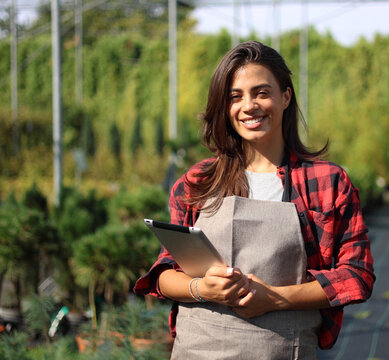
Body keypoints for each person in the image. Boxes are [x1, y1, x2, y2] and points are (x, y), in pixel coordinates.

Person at [134, 40, 375, 359]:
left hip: (280, 347)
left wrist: (275, 298)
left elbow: (357, 275)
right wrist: (200, 288)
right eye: (235, 96)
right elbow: (164, 274)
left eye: (261, 92)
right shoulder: (196, 183)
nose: (249, 106)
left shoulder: (326, 182)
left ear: (286, 96)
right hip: (199, 348)